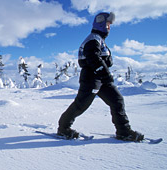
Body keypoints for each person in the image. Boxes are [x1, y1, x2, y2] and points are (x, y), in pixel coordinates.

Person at [57, 12, 144, 142]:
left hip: (101, 78)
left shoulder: (98, 39)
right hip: (91, 78)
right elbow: (93, 57)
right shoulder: (93, 39)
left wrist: (104, 74)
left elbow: (100, 59)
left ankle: (124, 131)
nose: (109, 27)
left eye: (110, 25)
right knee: (81, 105)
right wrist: (105, 73)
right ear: (101, 24)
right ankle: (63, 129)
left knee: (117, 100)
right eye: (108, 24)